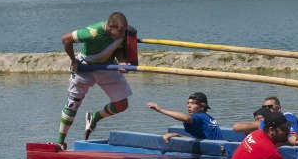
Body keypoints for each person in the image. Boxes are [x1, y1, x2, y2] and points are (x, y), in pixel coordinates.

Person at [57, 11, 136, 145]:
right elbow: (66, 39)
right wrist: (73, 60)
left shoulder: (122, 33)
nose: (124, 34)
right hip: (85, 67)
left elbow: (118, 47)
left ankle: (94, 118)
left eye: (124, 31)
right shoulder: (92, 32)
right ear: (110, 26)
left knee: (122, 105)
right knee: (72, 105)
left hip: (107, 67)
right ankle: (60, 142)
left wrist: (122, 62)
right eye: (121, 31)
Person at [227, 109, 293, 159]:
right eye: (283, 129)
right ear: (271, 130)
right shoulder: (269, 151)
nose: (288, 131)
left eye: (288, 128)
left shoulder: (256, 134)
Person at [149, 91, 227, 142]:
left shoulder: (200, 117)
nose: (189, 106)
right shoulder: (208, 118)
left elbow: (186, 118)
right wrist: (178, 136)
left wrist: (160, 110)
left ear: (202, 107)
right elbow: (202, 140)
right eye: (188, 103)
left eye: (193, 103)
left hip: (218, 153)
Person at [232, 96, 298, 144]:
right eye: (264, 107)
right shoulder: (264, 121)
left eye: (270, 107)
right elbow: (236, 127)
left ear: (279, 108)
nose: (266, 109)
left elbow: (293, 138)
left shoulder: (288, 116)